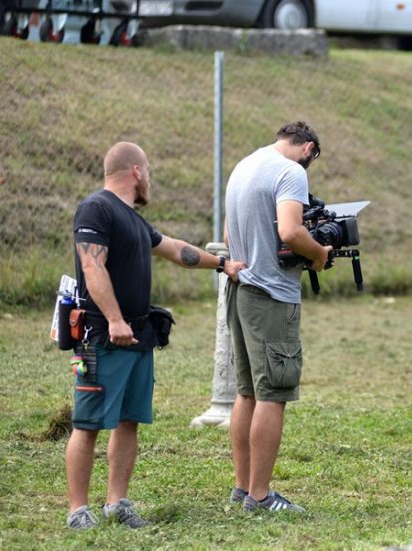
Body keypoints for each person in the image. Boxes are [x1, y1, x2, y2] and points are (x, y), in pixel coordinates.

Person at [66, 142, 245, 529]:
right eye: (147, 171)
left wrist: (222, 264)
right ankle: (78, 510)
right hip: (101, 336)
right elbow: (92, 267)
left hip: (136, 335)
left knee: (129, 420)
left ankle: (117, 503)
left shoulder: (133, 219)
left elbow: (177, 250)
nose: (149, 179)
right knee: (88, 423)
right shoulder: (97, 208)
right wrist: (114, 319)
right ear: (136, 172)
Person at [224, 121, 331, 513]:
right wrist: (319, 253)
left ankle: (242, 487)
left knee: (248, 390)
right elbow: (289, 230)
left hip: (239, 290)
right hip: (271, 295)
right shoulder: (290, 172)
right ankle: (260, 496)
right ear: (309, 149)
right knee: (274, 393)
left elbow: (228, 229)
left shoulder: (245, 164)